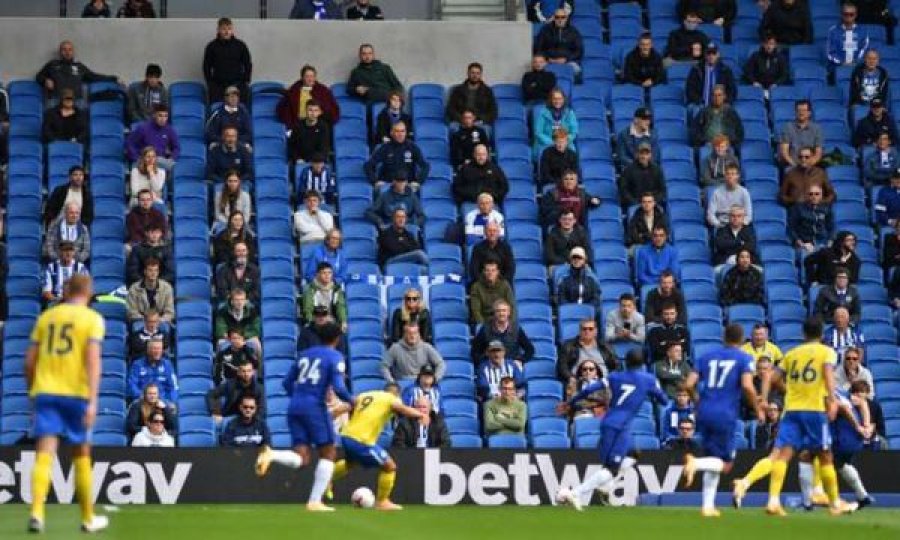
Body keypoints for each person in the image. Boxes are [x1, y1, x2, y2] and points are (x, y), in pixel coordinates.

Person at [735, 318, 858, 516]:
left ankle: (773, 501)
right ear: (822, 335)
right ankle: (835, 502)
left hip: (791, 411)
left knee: (781, 456)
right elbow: (827, 374)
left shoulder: (792, 354)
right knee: (825, 455)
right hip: (815, 410)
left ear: (803, 334)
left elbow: (770, 377)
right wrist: (833, 400)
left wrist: (763, 400)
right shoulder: (826, 352)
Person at [24, 275, 108, 532]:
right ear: (89, 292)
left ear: (66, 290)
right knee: (81, 454)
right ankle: (87, 518)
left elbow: (29, 361)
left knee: (44, 453)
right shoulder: (92, 319)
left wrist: (32, 392)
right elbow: (93, 360)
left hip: (46, 391)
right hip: (76, 393)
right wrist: (93, 400)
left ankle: (37, 513)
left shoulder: (46, 318)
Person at [557, 349, 669, 511]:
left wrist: (570, 402)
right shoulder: (648, 379)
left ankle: (606, 486)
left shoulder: (615, 377)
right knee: (611, 468)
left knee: (634, 453)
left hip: (610, 421)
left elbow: (589, 389)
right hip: (619, 427)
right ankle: (575, 493)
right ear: (643, 363)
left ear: (626, 363)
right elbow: (664, 400)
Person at [681, 324, 761, 517]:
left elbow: (689, 384)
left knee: (713, 457)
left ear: (724, 338)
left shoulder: (706, 357)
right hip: (725, 414)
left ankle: (708, 506)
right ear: (742, 340)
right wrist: (758, 408)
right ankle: (695, 464)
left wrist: (697, 400)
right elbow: (747, 387)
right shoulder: (744, 358)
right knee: (726, 464)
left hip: (704, 411)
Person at [326, 385, 430, 510]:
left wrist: (327, 418)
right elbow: (401, 408)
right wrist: (420, 415)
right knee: (389, 467)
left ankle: (327, 479)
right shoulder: (390, 398)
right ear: (397, 395)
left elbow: (342, 408)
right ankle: (382, 502)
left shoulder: (365, 395)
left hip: (347, 436)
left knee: (351, 463)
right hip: (361, 440)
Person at [36, 40, 120, 102]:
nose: (67, 52)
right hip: (56, 100)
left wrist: (114, 79)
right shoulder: (52, 64)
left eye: (70, 49)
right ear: (60, 52)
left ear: (73, 52)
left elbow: (94, 77)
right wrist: (45, 80)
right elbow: (38, 76)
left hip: (76, 101)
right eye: (64, 49)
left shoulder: (79, 66)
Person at [364, 121, 429, 189]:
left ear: (406, 132)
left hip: (407, 187)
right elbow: (368, 166)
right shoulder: (385, 148)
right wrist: (375, 182)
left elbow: (425, 166)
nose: (400, 134)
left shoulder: (412, 147)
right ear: (391, 133)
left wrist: (418, 182)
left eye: (402, 131)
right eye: (397, 131)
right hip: (388, 187)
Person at [203, 18, 252, 102]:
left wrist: (246, 80)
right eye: (224, 29)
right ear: (218, 30)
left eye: (229, 29)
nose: (226, 32)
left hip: (238, 84)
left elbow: (247, 64)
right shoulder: (212, 46)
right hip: (218, 85)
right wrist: (210, 83)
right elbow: (206, 66)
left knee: (241, 109)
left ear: (232, 30)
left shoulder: (240, 45)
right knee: (217, 109)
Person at [470, 299, 534, 364]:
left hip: (512, 366)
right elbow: (475, 352)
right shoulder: (485, 329)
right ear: (494, 313)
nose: (501, 314)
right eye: (498, 311)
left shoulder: (516, 329)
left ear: (509, 312)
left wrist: (521, 361)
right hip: (491, 367)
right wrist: (484, 363)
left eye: (504, 311)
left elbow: (530, 350)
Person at [557, 318, 616, 385]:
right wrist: (570, 377)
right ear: (580, 331)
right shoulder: (569, 346)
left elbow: (616, 365)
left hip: (603, 383)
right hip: (579, 382)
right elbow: (562, 366)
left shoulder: (605, 346)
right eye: (584, 329)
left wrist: (610, 378)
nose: (587, 331)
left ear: (596, 331)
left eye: (590, 329)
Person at [380, 322, 445, 383]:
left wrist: (434, 380)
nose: (412, 336)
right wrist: (392, 382)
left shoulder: (426, 347)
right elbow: (384, 366)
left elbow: (440, 364)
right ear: (404, 334)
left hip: (421, 385)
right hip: (402, 384)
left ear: (418, 333)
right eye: (409, 333)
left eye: (415, 333)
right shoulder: (395, 348)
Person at [125, 105, 180, 172]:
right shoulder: (143, 128)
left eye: (165, 116)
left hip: (158, 163)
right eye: (160, 115)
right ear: (154, 115)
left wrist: (172, 158)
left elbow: (176, 147)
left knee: (170, 165)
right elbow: (129, 143)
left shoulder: (169, 130)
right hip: (143, 161)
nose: (163, 119)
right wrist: (136, 158)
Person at [533, 8, 584, 77]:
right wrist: (547, 58)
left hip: (568, 61)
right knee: (537, 66)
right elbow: (538, 48)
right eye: (557, 17)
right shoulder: (545, 30)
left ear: (566, 18)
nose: (560, 19)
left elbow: (579, 51)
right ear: (554, 18)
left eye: (563, 17)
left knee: (577, 70)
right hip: (548, 60)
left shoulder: (574, 32)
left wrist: (566, 59)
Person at [446, 63, 498, 128]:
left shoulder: (487, 91)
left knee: (485, 131)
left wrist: (480, 120)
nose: (475, 75)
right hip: (460, 121)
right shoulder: (458, 90)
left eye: (477, 73)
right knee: (453, 127)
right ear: (468, 73)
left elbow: (493, 112)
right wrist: (462, 119)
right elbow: (450, 109)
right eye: (472, 73)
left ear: (481, 75)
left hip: (480, 122)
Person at [126, 339, 177, 403]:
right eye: (155, 349)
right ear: (148, 350)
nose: (158, 351)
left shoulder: (167, 365)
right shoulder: (137, 364)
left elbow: (173, 387)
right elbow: (132, 384)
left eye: (159, 349)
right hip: (142, 400)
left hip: (162, 401)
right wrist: (142, 396)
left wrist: (171, 401)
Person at [532, 87, 578, 160]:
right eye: (555, 99)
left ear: (563, 99)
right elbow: (538, 132)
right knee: (544, 154)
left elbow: (573, 132)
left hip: (565, 142)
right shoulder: (543, 113)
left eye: (560, 99)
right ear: (551, 100)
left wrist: (563, 141)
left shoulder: (570, 113)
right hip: (546, 143)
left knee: (572, 152)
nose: (557, 101)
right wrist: (552, 143)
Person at [788, 184, 835, 253]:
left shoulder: (826, 208)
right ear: (807, 195)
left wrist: (830, 242)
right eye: (811, 194)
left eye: (817, 194)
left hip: (822, 242)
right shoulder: (798, 209)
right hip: (804, 243)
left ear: (821, 195)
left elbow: (831, 227)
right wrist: (801, 243)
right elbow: (791, 228)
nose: (814, 197)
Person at [125, 258, 174, 323]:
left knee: (165, 329)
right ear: (145, 271)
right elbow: (131, 312)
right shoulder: (134, 288)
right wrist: (148, 321)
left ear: (158, 272)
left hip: (161, 321)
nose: (153, 273)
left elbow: (170, 312)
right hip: (141, 321)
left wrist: (158, 320)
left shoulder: (167, 288)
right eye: (150, 270)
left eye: (156, 270)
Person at [778, 100, 823, 168]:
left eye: (804, 110)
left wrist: (808, 166)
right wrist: (795, 166)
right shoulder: (787, 128)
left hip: (811, 166)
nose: (801, 113)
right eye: (799, 110)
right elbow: (784, 152)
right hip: (792, 165)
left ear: (809, 113)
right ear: (795, 112)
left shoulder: (817, 129)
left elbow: (818, 153)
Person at [301, 262, 347, 328]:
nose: (327, 275)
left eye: (329, 273)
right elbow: (308, 310)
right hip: (315, 322)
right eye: (324, 273)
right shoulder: (310, 290)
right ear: (317, 275)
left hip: (331, 322)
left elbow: (340, 306)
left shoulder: (336, 289)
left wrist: (343, 321)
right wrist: (316, 321)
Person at [214, 288, 262, 352]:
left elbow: (256, 330)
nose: (240, 303)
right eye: (237, 300)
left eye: (242, 300)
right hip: (229, 339)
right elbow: (220, 330)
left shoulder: (253, 312)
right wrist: (233, 339)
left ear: (245, 301)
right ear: (232, 301)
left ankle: (258, 362)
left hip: (246, 339)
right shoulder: (223, 312)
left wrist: (241, 338)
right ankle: (220, 362)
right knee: (220, 343)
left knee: (256, 343)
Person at [619, 143, 666, 207]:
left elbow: (662, 190)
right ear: (637, 154)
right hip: (635, 204)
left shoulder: (657, 170)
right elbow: (624, 189)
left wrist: (653, 202)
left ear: (650, 155)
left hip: (653, 204)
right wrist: (634, 202)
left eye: (646, 154)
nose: (644, 156)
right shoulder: (629, 170)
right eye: (641, 153)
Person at [827, 3, 870, 69]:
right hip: (837, 68)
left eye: (851, 14)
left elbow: (865, 50)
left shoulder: (863, 31)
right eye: (846, 14)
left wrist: (855, 62)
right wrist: (842, 63)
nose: (848, 17)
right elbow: (830, 53)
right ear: (841, 15)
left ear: (856, 15)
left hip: (857, 68)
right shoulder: (833, 31)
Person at [287, 100, 331, 164]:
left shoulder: (323, 127)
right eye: (310, 110)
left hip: (317, 162)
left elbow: (324, 148)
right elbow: (292, 146)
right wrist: (297, 158)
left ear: (319, 112)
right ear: (306, 111)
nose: (313, 113)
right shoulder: (298, 126)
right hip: (300, 162)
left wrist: (315, 160)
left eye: (316, 110)